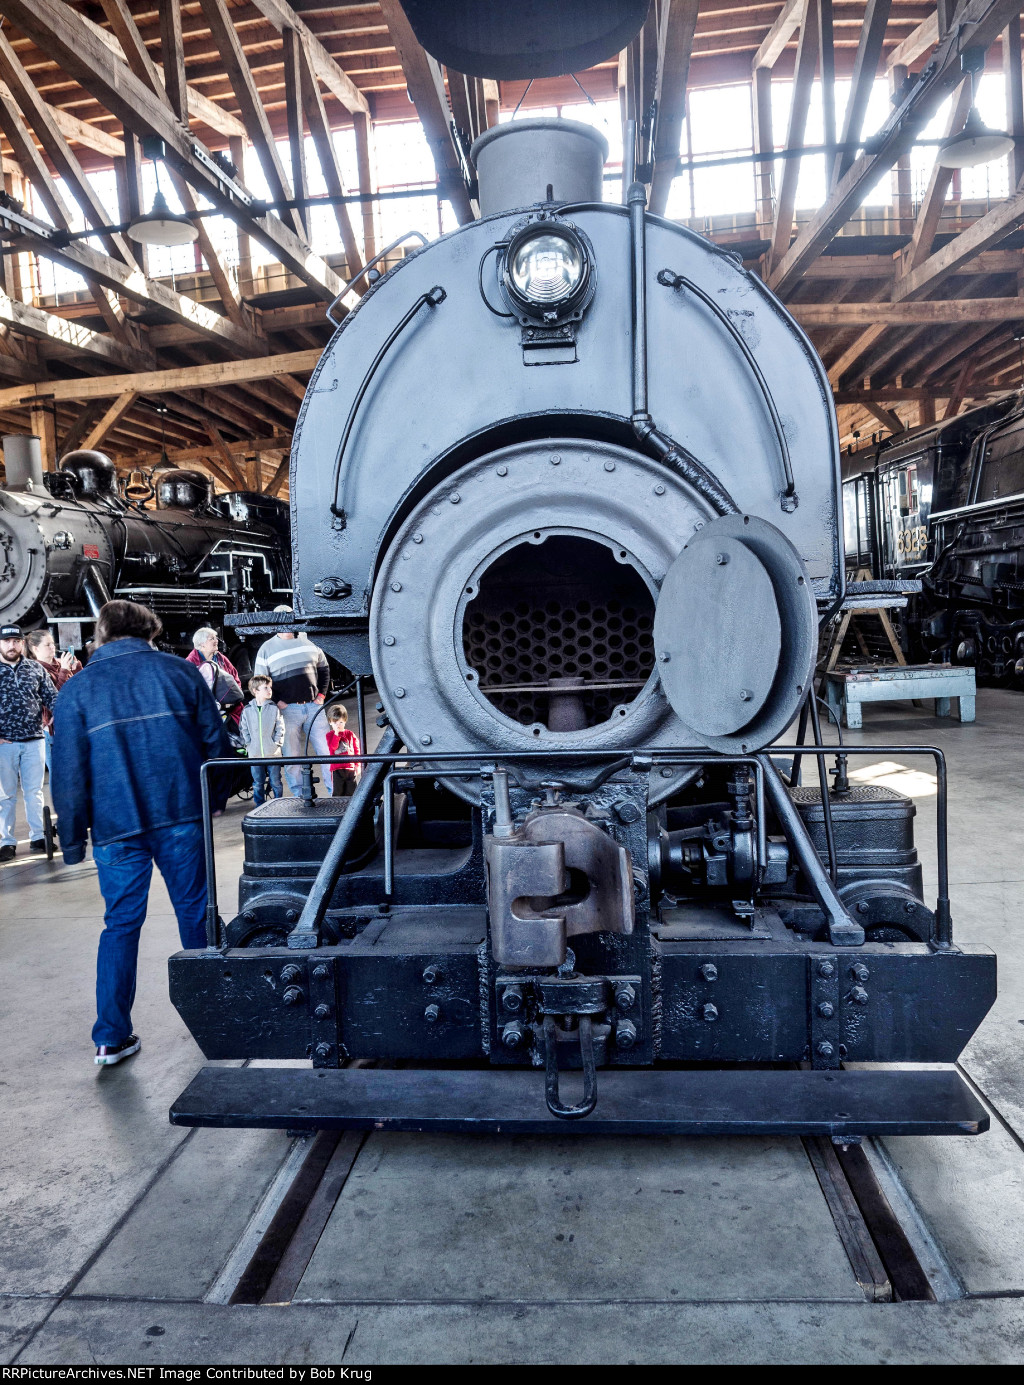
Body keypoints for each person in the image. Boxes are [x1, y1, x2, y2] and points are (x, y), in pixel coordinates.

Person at [51, 600, 230, 1067]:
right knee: (196, 913)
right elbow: (218, 743)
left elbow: (67, 773)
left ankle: (111, 1037)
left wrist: (72, 841)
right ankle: (216, 1019)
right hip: (181, 815)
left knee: (120, 926)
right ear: (150, 630)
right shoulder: (179, 673)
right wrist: (214, 798)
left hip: (115, 829)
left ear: (102, 635)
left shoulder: (77, 690)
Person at [253, 610, 331, 796]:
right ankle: (299, 797)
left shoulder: (310, 640)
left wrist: (321, 696)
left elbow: (325, 669)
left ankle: (336, 793)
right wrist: (277, 702)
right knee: (292, 758)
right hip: (288, 710)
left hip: (314, 706)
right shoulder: (266, 648)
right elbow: (259, 681)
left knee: (328, 753)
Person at [0, 623, 58, 861]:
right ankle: (6, 842)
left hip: (34, 740)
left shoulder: (35, 669)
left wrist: (56, 716)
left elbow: (53, 697)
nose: (11, 646)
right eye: (7, 642)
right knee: (5, 795)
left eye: (16, 641)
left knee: (34, 792)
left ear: (23, 644)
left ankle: (38, 837)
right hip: (5, 744)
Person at [25, 628, 81, 776]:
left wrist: (76, 670)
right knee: (59, 775)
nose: (53, 647)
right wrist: (64, 670)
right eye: (47, 645)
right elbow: (53, 698)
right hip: (51, 731)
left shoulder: (59, 664)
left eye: (52, 644)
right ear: (35, 648)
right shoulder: (33, 670)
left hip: (69, 725)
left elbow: (78, 689)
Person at [238, 674, 285, 805]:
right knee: (258, 782)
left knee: (276, 781)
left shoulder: (273, 708)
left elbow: (280, 727)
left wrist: (276, 744)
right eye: (266, 688)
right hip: (255, 753)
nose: (270, 690)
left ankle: (278, 805)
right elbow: (244, 729)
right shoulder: (247, 710)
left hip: (273, 753)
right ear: (255, 691)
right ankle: (259, 806)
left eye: (270, 687)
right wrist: (249, 744)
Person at [186, 627, 243, 727]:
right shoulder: (190, 663)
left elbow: (234, 677)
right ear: (202, 644)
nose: (216, 641)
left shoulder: (220, 658)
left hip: (228, 707)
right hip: (206, 709)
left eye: (215, 638)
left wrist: (232, 698)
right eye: (212, 638)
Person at [326, 703, 361, 797]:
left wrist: (357, 765)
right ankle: (338, 809)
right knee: (338, 791)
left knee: (351, 791)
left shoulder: (350, 734)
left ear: (345, 721)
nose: (338, 725)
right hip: (337, 768)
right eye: (335, 723)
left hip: (350, 767)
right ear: (330, 722)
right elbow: (333, 747)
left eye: (341, 722)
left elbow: (356, 750)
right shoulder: (330, 735)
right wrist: (336, 735)